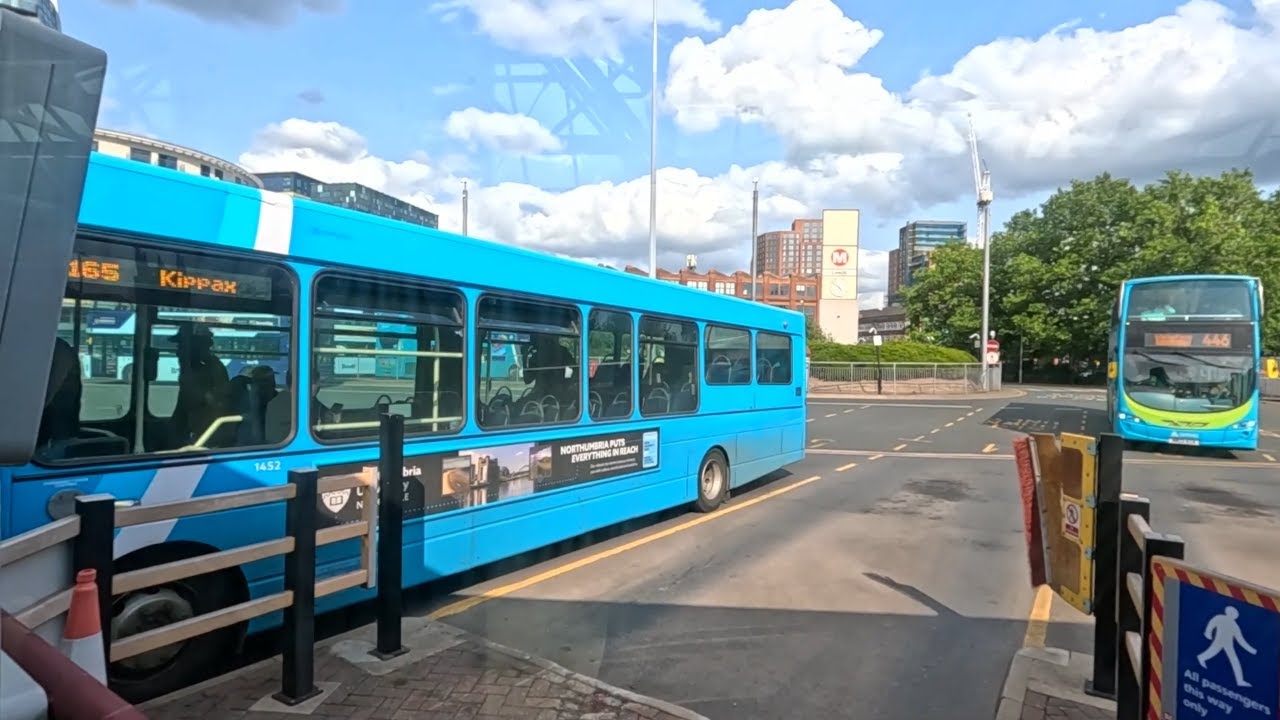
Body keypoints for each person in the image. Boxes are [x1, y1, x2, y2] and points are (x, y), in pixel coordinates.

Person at [171, 324, 230, 446]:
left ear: (196, 346)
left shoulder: (212, 369)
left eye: (181, 345)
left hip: (203, 438)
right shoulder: (192, 368)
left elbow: (214, 406)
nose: (177, 351)